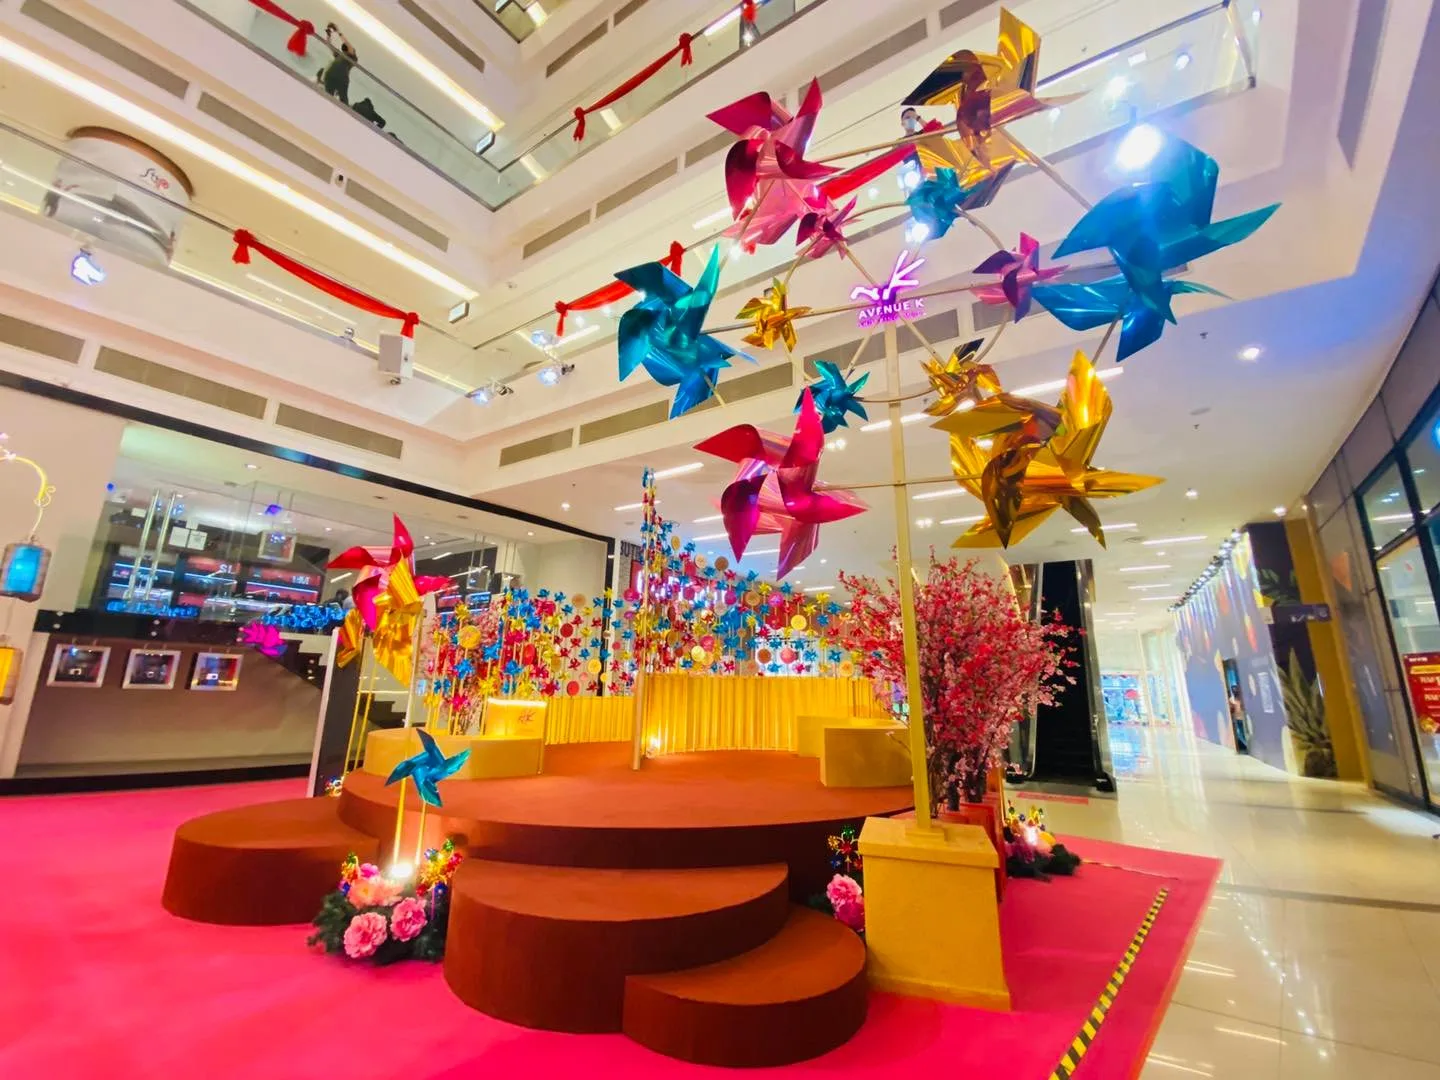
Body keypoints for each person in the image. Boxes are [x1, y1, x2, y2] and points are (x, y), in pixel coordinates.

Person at [319, 23, 357, 106]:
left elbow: (348, 45)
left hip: (340, 79)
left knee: (343, 100)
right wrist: (328, 34)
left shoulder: (352, 57)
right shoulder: (339, 55)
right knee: (328, 97)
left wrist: (338, 31)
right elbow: (328, 44)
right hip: (332, 76)